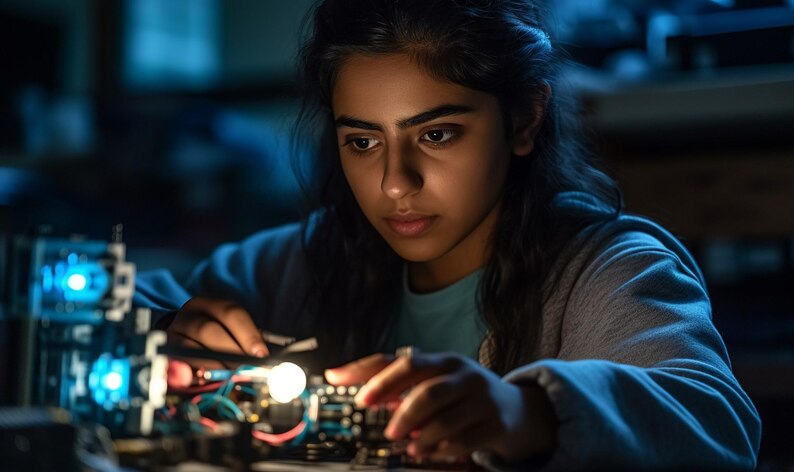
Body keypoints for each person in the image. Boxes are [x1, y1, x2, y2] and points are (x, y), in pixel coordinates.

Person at [135, 0, 761, 469]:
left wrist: (527, 413)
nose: (394, 183)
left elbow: (716, 428)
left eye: (436, 135)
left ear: (524, 119)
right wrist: (167, 330)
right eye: (362, 141)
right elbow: (129, 302)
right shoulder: (299, 261)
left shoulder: (607, 270)